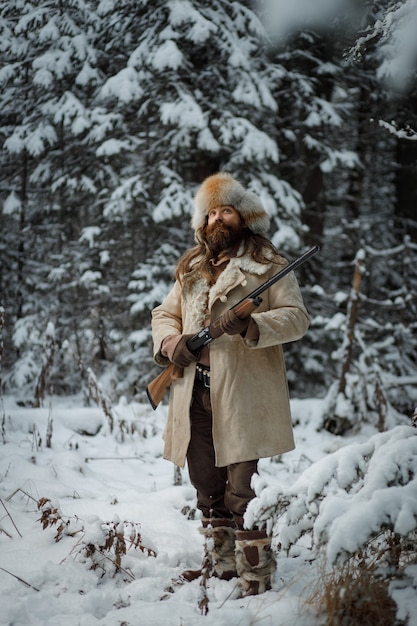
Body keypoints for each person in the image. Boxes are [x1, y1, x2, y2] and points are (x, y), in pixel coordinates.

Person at [151, 172, 310, 595]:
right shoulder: (192, 268)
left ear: (243, 217)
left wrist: (251, 325)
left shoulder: (270, 266)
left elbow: (297, 318)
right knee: (205, 483)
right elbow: (163, 314)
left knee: (243, 489)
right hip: (192, 391)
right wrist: (172, 343)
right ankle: (220, 570)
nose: (218, 218)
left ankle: (255, 580)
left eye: (226, 210)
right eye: (212, 212)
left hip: (245, 394)